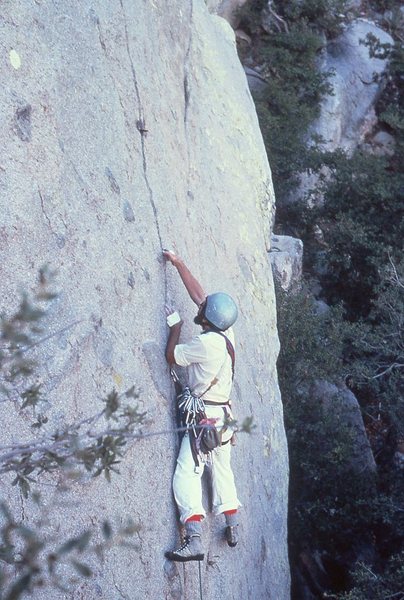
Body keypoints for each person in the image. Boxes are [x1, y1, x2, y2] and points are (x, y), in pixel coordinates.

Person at [163, 250, 241, 562]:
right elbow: (200, 296)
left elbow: (172, 357)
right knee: (222, 468)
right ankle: (232, 523)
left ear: (208, 319)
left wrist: (175, 328)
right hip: (224, 417)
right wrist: (180, 262)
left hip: (205, 418)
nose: (201, 307)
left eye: (203, 311)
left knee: (187, 472)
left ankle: (194, 537)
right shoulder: (227, 333)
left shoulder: (205, 344)